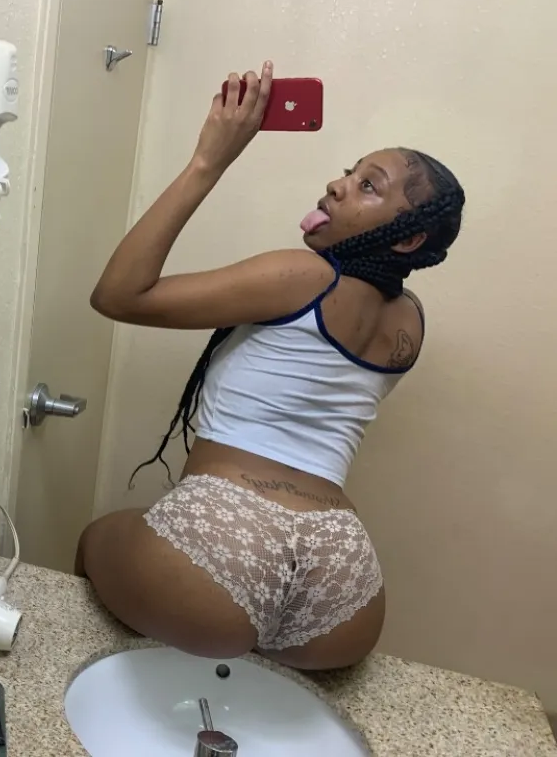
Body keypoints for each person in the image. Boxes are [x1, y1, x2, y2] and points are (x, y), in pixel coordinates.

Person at [75, 61, 465, 671]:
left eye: (368, 186)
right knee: (261, 698)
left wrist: (209, 161)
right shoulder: (408, 321)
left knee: (95, 542)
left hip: (227, 528)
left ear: (408, 238)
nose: (337, 185)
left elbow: (119, 295)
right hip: (342, 564)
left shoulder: (304, 275)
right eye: (349, 172)